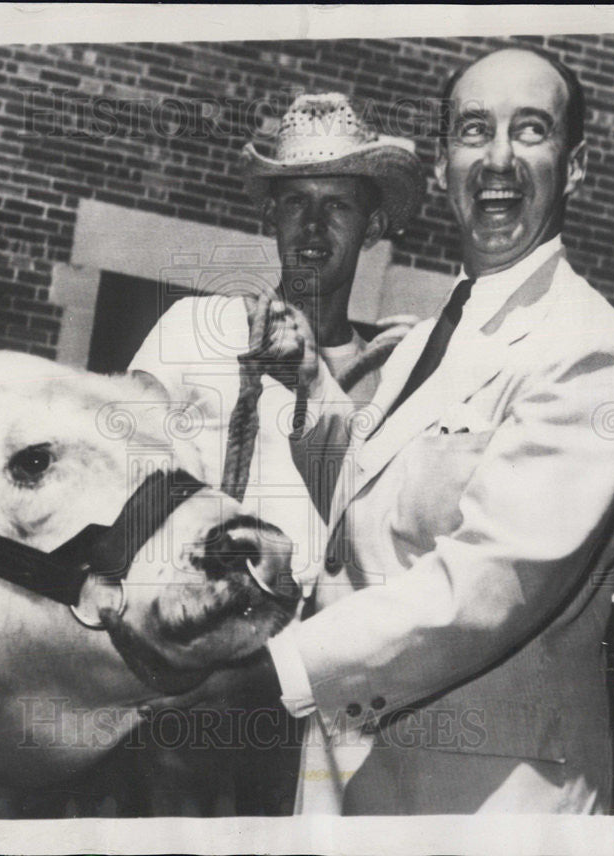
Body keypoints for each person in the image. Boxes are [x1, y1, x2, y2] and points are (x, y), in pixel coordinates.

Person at [233, 46, 614, 814]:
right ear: (444, 164)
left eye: (530, 132)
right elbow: (370, 507)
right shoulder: (431, 336)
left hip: (486, 806)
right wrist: (308, 383)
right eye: (473, 131)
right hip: (359, 784)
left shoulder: (588, 346)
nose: (497, 161)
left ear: (576, 164)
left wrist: (271, 674)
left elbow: (485, 587)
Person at [125, 93, 423, 816]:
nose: (314, 226)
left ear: (374, 222)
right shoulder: (196, 328)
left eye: (339, 206)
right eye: (297, 204)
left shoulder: (402, 372)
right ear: (272, 215)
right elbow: (122, 483)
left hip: (313, 701)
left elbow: (395, 540)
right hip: (180, 685)